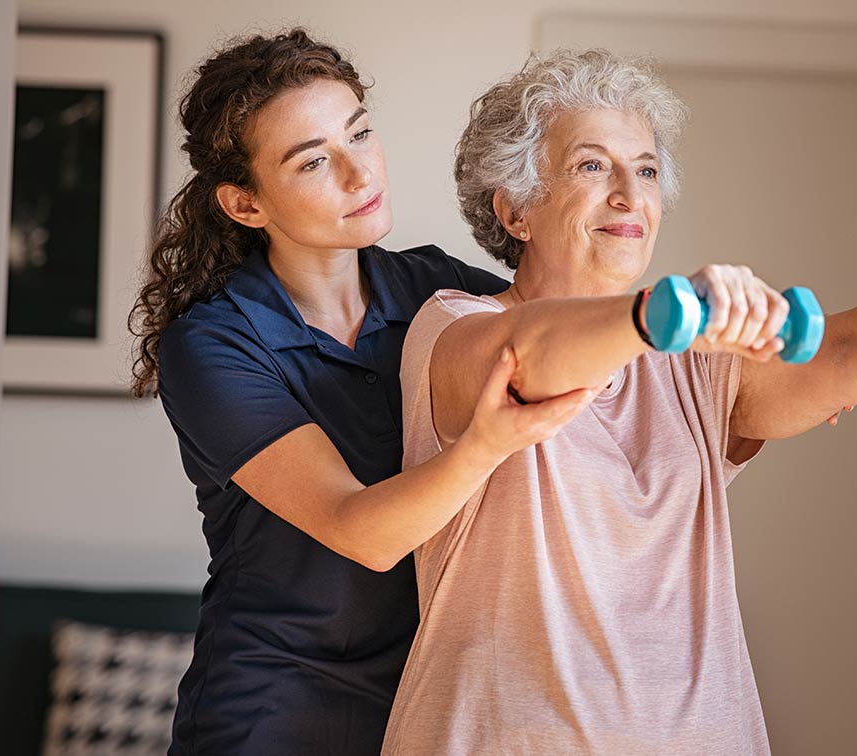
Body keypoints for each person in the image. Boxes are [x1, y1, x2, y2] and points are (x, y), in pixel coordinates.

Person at [379, 49, 857, 754]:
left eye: (647, 170)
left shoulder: (692, 355)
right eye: (593, 166)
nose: (630, 194)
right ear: (516, 209)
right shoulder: (455, 325)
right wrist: (656, 313)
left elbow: (845, 350)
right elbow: (527, 359)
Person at [127, 30, 593, 756]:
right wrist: (487, 444)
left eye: (360, 133)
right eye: (313, 160)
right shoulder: (214, 344)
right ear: (246, 205)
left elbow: (555, 340)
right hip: (275, 711)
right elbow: (359, 531)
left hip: (426, 700)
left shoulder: (436, 289)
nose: (358, 172)